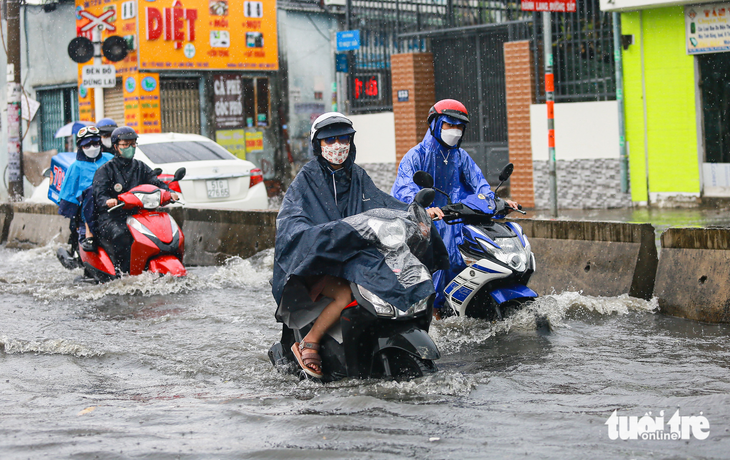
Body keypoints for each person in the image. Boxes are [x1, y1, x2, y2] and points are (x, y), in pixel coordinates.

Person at [272, 112, 447, 378]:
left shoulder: (358, 176)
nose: (337, 145)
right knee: (345, 294)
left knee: (406, 279)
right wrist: (319, 235)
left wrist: (414, 215)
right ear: (318, 145)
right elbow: (291, 221)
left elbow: (383, 203)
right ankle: (310, 341)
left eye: (343, 138)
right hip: (320, 261)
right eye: (329, 140)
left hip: (355, 256)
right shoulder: (306, 180)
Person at [391, 99, 519, 317]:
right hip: (425, 223)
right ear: (435, 125)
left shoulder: (461, 157)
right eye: (449, 125)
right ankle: (433, 313)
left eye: (460, 127)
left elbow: (479, 184)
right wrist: (424, 206)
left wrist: (497, 202)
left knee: (459, 265)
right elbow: (405, 188)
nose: (455, 131)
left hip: (455, 221)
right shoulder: (416, 156)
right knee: (434, 269)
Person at [92, 126, 178, 274]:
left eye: (132, 144)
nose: (129, 148)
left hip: (139, 214)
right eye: (125, 145)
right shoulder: (105, 170)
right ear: (116, 147)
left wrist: (169, 193)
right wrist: (109, 201)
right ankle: (122, 272)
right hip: (113, 216)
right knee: (123, 234)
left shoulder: (140, 167)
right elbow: (99, 195)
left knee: (167, 230)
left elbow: (156, 183)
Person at [57, 125, 113, 256]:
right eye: (87, 145)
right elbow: (68, 194)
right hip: (89, 212)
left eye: (95, 144)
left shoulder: (109, 159)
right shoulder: (75, 167)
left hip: (114, 206)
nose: (92, 148)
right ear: (80, 147)